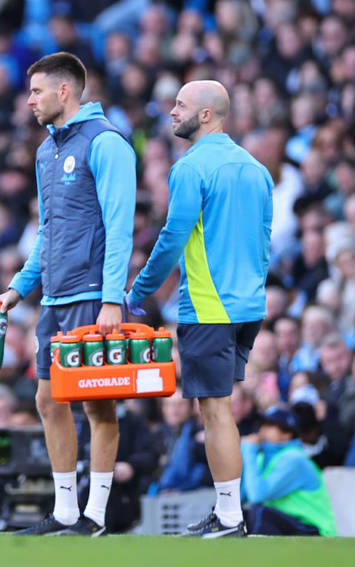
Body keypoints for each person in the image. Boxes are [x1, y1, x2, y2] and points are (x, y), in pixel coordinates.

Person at [0, 52, 136, 536]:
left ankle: (96, 513)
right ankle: (66, 511)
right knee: (48, 401)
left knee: (98, 404)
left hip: (93, 295)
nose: (29, 101)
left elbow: (119, 227)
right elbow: (47, 232)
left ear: (64, 91)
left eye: (36, 92)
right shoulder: (46, 151)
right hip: (53, 299)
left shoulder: (107, 143)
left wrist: (113, 297)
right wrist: (17, 289)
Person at [126, 80, 274, 537]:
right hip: (249, 304)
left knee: (215, 411)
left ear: (206, 115)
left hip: (209, 306)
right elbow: (263, 240)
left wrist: (139, 292)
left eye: (180, 105)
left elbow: (172, 237)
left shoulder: (190, 168)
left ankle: (230, 516)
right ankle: (227, 510)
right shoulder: (256, 168)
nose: (171, 112)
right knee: (219, 407)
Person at [241, 406, 337, 536]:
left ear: (287, 434)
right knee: (239, 515)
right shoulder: (261, 457)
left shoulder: (294, 458)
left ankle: (257, 554)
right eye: (262, 425)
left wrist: (248, 452)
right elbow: (240, 497)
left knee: (260, 512)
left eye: (269, 426)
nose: (262, 430)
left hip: (314, 530)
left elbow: (257, 495)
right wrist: (241, 457)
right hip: (287, 524)